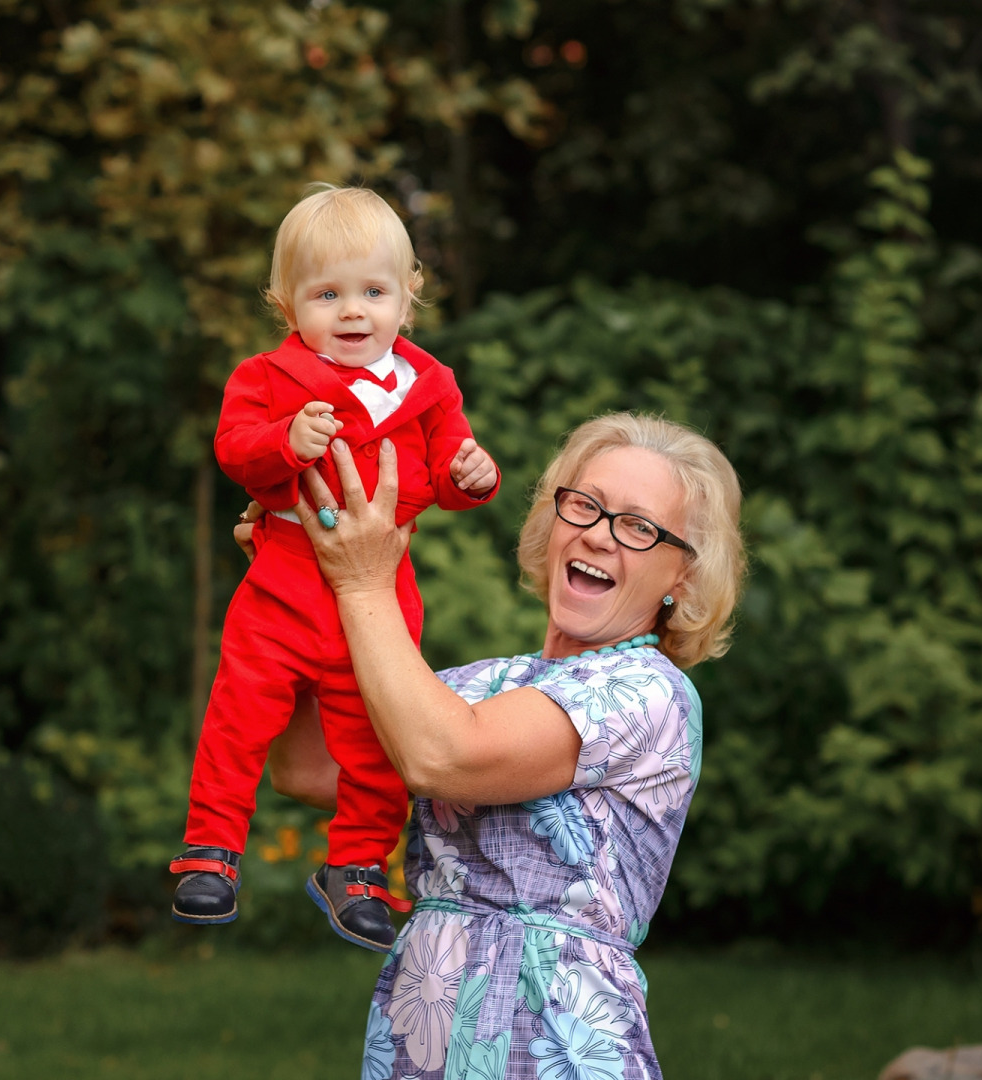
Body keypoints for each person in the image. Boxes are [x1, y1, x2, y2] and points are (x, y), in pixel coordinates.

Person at [272, 411, 744, 1080]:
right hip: (424, 1031)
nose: (599, 535)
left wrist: (364, 583)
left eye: (639, 527)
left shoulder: (648, 692)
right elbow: (310, 766)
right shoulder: (479, 685)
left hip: (550, 1044)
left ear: (683, 579)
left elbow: (443, 757)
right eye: (584, 505)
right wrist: (299, 582)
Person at [172, 184, 500, 952]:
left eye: (373, 292)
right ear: (288, 306)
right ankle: (210, 853)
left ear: (407, 299)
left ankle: (356, 869)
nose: (353, 312)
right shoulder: (267, 378)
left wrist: (470, 475)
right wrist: (287, 439)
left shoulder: (428, 384)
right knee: (239, 717)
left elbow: (445, 474)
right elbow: (235, 450)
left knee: (379, 739)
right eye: (328, 294)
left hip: (383, 590)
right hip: (286, 577)